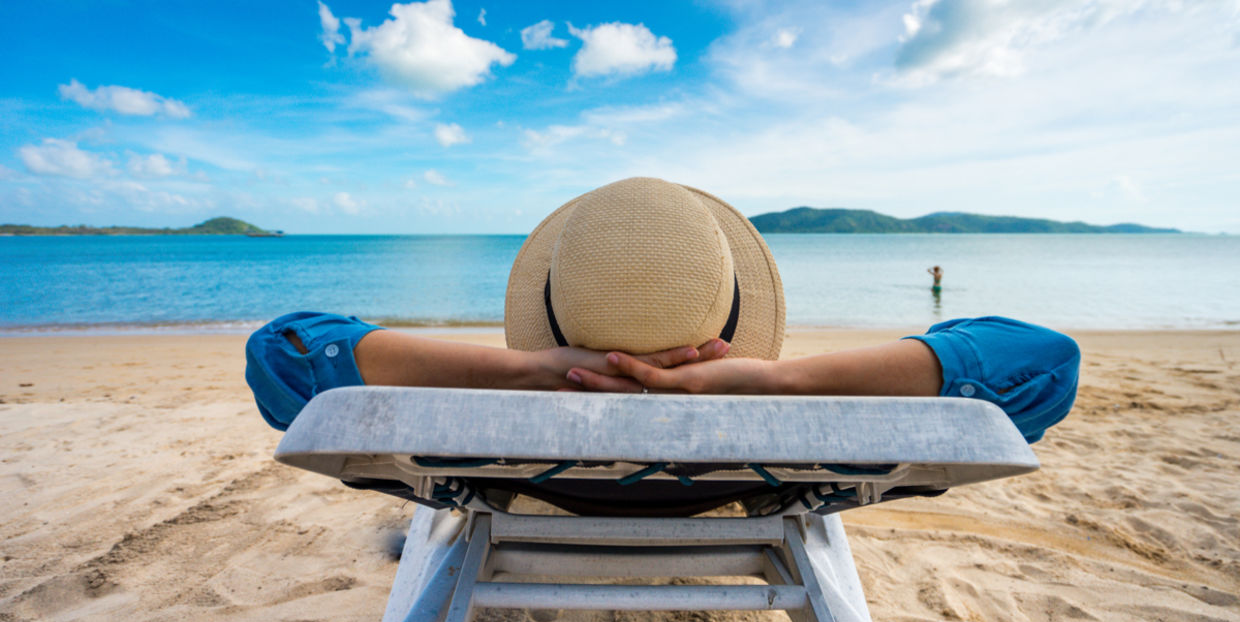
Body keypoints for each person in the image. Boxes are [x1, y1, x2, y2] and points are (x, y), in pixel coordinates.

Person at [246, 178, 1079, 444]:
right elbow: (1040, 360)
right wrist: (776, 383)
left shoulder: (514, 411)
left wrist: (533, 375)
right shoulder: (761, 415)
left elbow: (287, 352)